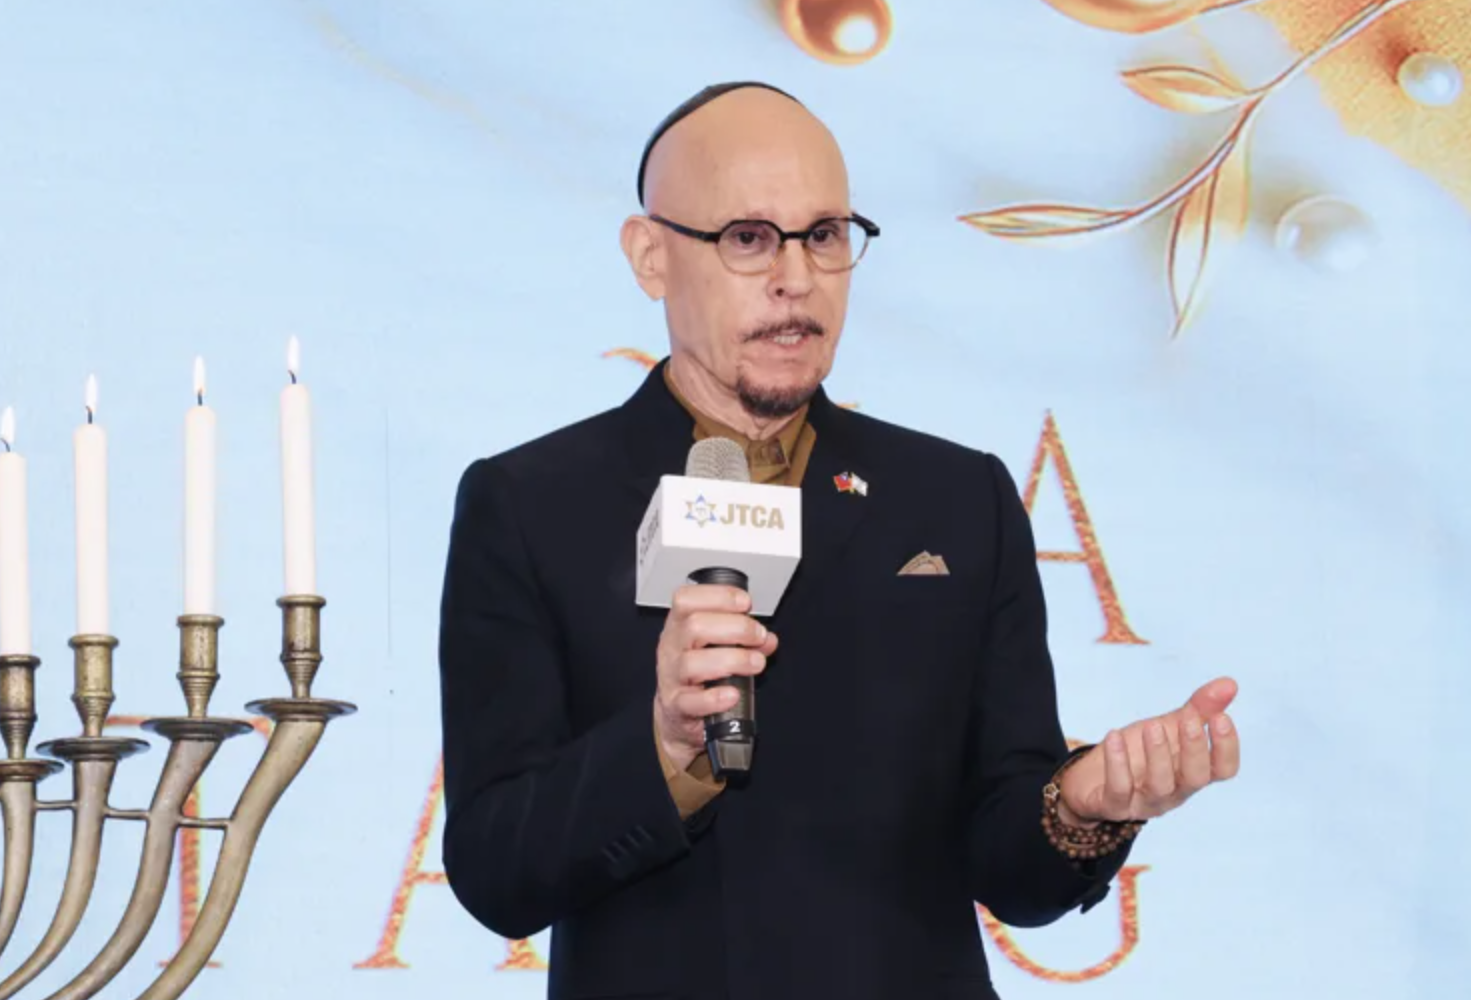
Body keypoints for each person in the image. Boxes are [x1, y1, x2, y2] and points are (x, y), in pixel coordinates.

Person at [438, 81, 1241, 1000]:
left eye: (823, 235)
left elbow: (1010, 866)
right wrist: (662, 746)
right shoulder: (530, 503)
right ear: (651, 256)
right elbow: (497, 872)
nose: (797, 277)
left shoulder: (957, 498)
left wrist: (1087, 804)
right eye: (748, 238)